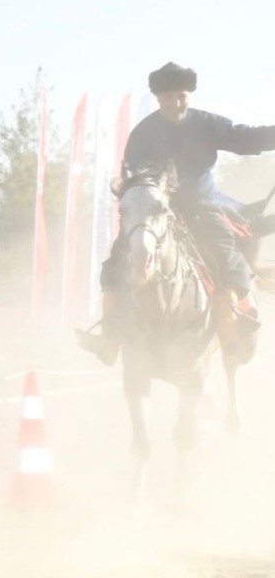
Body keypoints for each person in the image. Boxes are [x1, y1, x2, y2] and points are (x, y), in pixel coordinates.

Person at [77, 61, 275, 365]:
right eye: (169, 97)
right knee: (114, 265)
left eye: (181, 96)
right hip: (155, 212)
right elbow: (133, 177)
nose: (176, 102)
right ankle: (108, 339)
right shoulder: (143, 134)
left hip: (202, 206)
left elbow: (244, 138)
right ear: (159, 99)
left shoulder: (207, 123)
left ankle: (232, 333)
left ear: (189, 95)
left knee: (227, 258)